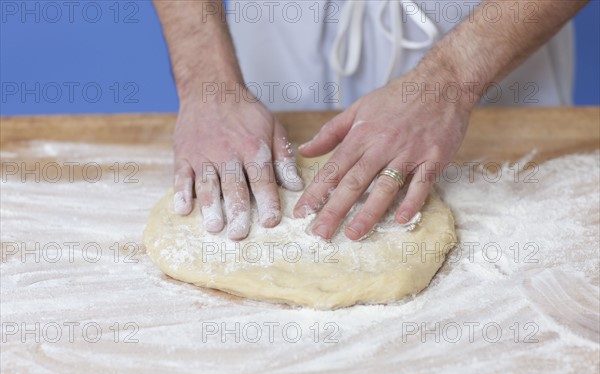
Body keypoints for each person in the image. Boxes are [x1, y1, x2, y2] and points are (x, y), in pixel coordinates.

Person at [153, 0, 588, 241]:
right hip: (280, 31)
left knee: (509, 241)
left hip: (485, 35)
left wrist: (450, 79)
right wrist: (209, 82)